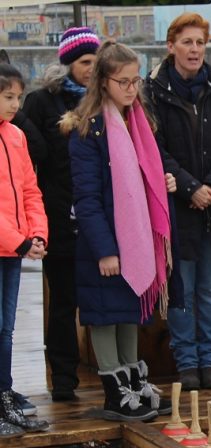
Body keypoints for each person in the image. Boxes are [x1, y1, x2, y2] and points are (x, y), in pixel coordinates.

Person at [63, 41, 176, 422]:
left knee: (129, 311)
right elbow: (88, 198)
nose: (131, 89)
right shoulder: (88, 131)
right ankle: (115, 391)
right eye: (123, 82)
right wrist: (105, 249)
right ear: (103, 82)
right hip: (105, 241)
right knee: (103, 314)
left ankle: (134, 379)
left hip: (135, 238)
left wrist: (165, 183)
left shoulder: (140, 123)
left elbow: (143, 180)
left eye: (135, 81)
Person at [146, 12, 211, 391]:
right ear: (171, 46)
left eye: (200, 43)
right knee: (181, 288)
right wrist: (190, 188)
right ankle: (187, 361)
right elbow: (155, 148)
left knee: (210, 288)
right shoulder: (153, 91)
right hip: (177, 205)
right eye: (187, 42)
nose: (194, 49)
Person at [21, 26, 100, 404]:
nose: (91, 67)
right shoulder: (41, 101)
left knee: (101, 298)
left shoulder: (103, 99)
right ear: (69, 62)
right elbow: (23, 139)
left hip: (98, 215)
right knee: (64, 302)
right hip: (58, 214)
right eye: (85, 61)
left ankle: (111, 372)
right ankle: (64, 378)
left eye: (95, 61)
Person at [0, 65, 50, 435]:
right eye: (8, 97)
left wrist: (37, 235)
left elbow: (30, 190)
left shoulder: (16, 136)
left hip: (13, 249)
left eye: (18, 96)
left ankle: (3, 393)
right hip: (8, 243)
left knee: (6, 329)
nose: (16, 104)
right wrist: (17, 239)